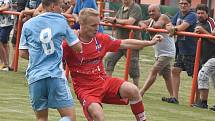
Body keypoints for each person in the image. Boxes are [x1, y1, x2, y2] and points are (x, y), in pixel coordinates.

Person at [63, 8, 163, 121]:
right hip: (85, 90)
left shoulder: (100, 39)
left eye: (98, 24)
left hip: (104, 82)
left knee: (133, 90)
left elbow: (124, 43)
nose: (97, 28)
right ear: (81, 23)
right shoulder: (69, 44)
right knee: (98, 116)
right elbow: (54, 62)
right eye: (93, 25)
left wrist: (149, 42)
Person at [19, 0, 82, 121]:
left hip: (35, 77)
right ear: (53, 6)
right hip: (55, 75)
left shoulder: (28, 24)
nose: (63, 8)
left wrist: (39, 56)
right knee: (69, 117)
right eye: (61, 5)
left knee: (41, 118)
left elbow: (22, 53)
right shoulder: (61, 21)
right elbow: (78, 48)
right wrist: (76, 34)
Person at [162, 0, 197, 104]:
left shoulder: (192, 15)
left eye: (185, 3)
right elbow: (168, 25)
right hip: (180, 49)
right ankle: (174, 98)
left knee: (195, 75)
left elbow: (181, 28)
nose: (183, 5)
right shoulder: (178, 14)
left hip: (191, 49)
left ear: (190, 5)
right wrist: (172, 28)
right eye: (181, 3)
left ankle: (198, 101)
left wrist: (173, 28)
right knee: (175, 70)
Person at [138, 4, 175, 98]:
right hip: (159, 52)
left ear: (159, 11)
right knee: (167, 76)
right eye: (149, 11)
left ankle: (141, 93)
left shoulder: (163, 17)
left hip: (167, 53)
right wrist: (143, 24)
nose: (151, 13)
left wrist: (148, 27)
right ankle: (173, 97)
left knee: (153, 70)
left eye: (153, 11)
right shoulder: (151, 20)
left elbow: (157, 26)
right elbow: (141, 22)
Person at [103, 0, 142, 86]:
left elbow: (130, 21)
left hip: (132, 42)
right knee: (109, 58)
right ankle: (107, 84)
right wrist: (110, 21)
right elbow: (116, 21)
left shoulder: (136, 7)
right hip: (119, 42)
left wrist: (114, 20)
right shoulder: (121, 8)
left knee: (133, 66)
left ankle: (136, 88)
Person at [191, 4, 215, 111]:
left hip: (213, 56)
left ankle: (203, 102)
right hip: (205, 56)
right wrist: (196, 33)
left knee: (202, 75)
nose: (200, 15)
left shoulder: (211, 22)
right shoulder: (198, 23)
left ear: (207, 14)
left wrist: (203, 31)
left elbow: (213, 39)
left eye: (202, 13)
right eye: (198, 13)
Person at [0, 0, 14, 71]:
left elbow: (6, 7)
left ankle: (5, 64)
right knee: (4, 44)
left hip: (6, 24)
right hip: (1, 23)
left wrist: (1, 8)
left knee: (1, 42)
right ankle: (5, 64)